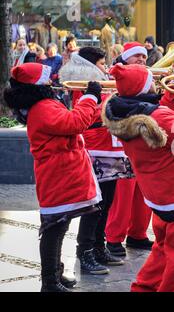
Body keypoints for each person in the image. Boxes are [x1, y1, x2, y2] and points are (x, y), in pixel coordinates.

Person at [102, 63, 174, 292]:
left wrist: (173, 97)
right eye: (150, 80)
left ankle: (143, 288)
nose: (155, 82)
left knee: (162, 250)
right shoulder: (156, 117)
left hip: (159, 196)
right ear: (143, 87)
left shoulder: (125, 112)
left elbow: (161, 122)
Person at [3, 63, 102, 291]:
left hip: (61, 172)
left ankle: (55, 273)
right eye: (47, 80)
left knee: (60, 225)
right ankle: (49, 281)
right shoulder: (43, 108)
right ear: (37, 86)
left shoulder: (42, 105)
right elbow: (75, 123)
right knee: (54, 228)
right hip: (58, 174)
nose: (52, 82)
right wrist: (90, 98)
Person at [59, 47, 126, 272]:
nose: (105, 68)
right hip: (95, 147)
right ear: (89, 65)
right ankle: (85, 251)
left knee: (106, 202)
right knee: (94, 205)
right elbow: (85, 115)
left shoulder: (100, 82)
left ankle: (99, 246)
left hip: (109, 146)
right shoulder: (83, 84)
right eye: (101, 64)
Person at [105, 41, 153, 257]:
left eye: (144, 57)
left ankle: (138, 233)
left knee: (143, 193)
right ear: (126, 58)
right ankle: (114, 238)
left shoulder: (148, 76)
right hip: (121, 146)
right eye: (137, 57)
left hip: (143, 144)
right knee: (122, 196)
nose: (142, 60)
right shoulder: (115, 78)